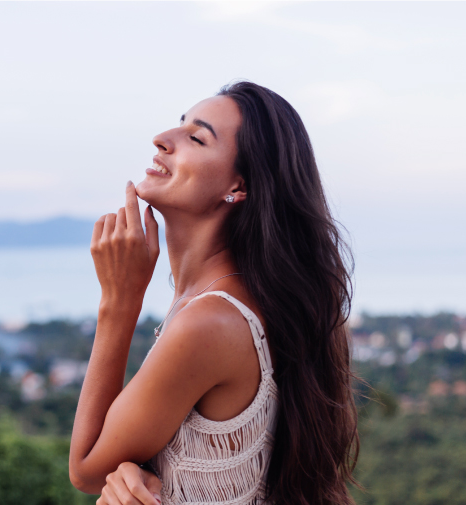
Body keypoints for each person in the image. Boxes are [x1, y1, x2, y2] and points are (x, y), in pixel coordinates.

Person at [69, 81, 359, 505]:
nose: (162, 139)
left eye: (196, 138)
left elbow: (86, 468)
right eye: (179, 123)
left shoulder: (211, 321)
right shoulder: (229, 300)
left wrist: (119, 299)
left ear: (238, 187)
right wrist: (135, 474)